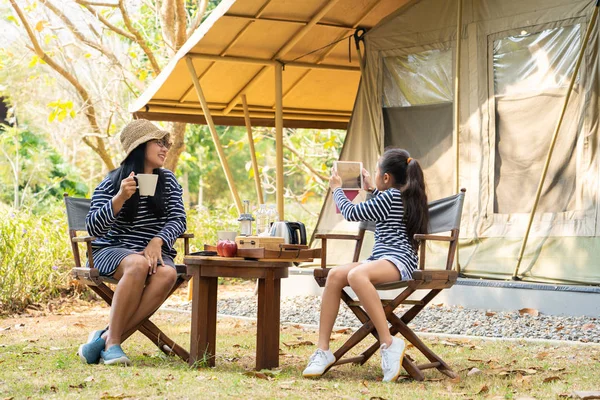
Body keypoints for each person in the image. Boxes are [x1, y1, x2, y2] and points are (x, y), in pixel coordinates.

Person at [303, 148, 428, 382]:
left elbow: (350, 213)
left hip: (399, 260)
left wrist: (337, 189)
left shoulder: (391, 197)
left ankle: (389, 343)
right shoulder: (400, 195)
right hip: (382, 259)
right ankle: (323, 350)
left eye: (376, 171)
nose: (374, 174)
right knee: (335, 276)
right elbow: (379, 211)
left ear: (387, 178)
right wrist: (370, 188)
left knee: (357, 276)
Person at [77, 119, 187, 366]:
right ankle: (113, 342)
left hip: (153, 253)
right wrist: (119, 199)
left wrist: (158, 240)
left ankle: (104, 337)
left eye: (166, 144)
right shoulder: (113, 182)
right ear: (139, 147)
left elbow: (179, 219)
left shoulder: (167, 180)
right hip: (110, 251)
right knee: (137, 264)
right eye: (158, 143)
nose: (165, 148)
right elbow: (93, 228)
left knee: (168, 274)